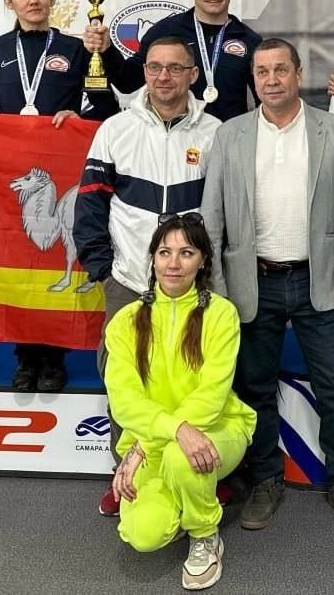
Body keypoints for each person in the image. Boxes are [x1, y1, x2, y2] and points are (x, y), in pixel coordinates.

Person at [202, 38, 334, 531]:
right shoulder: (230, 135)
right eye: (262, 71)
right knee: (255, 387)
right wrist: (216, 287)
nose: (271, 80)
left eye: (281, 69)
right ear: (253, 79)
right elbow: (212, 215)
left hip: (321, 279)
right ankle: (265, 480)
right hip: (253, 281)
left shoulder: (333, 130)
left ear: (299, 74)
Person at [74, 35, 222, 517]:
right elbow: (90, 205)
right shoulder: (114, 129)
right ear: (143, 73)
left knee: (196, 378)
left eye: (175, 68)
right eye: (155, 67)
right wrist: (103, 271)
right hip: (130, 283)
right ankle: (125, 477)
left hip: (194, 288)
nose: (164, 77)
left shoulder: (215, 132)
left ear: (193, 74)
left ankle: (202, 475)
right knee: (126, 383)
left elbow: (225, 211)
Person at [0, 0, 118, 394]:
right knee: (19, 260)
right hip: (16, 174)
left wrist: (79, 115)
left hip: (60, 170)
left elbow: (106, 106)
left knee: (53, 261)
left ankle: (53, 357)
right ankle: (25, 356)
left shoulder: (74, 48)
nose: (32, 0)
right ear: (9, 2)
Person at [104, 214, 256, 591]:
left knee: (181, 456)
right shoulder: (124, 321)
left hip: (218, 430)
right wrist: (167, 434)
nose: (173, 263)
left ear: (202, 261)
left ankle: (205, 532)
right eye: (164, 252)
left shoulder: (221, 314)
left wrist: (147, 446)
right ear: (153, 259)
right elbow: (124, 401)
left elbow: (211, 396)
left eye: (186, 253)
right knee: (142, 535)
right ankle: (187, 499)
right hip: (154, 443)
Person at [87, 0, 262, 122]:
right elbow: (127, 83)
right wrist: (107, 50)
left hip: (229, 137)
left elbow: (263, 100)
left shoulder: (250, 40)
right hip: (175, 135)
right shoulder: (164, 31)